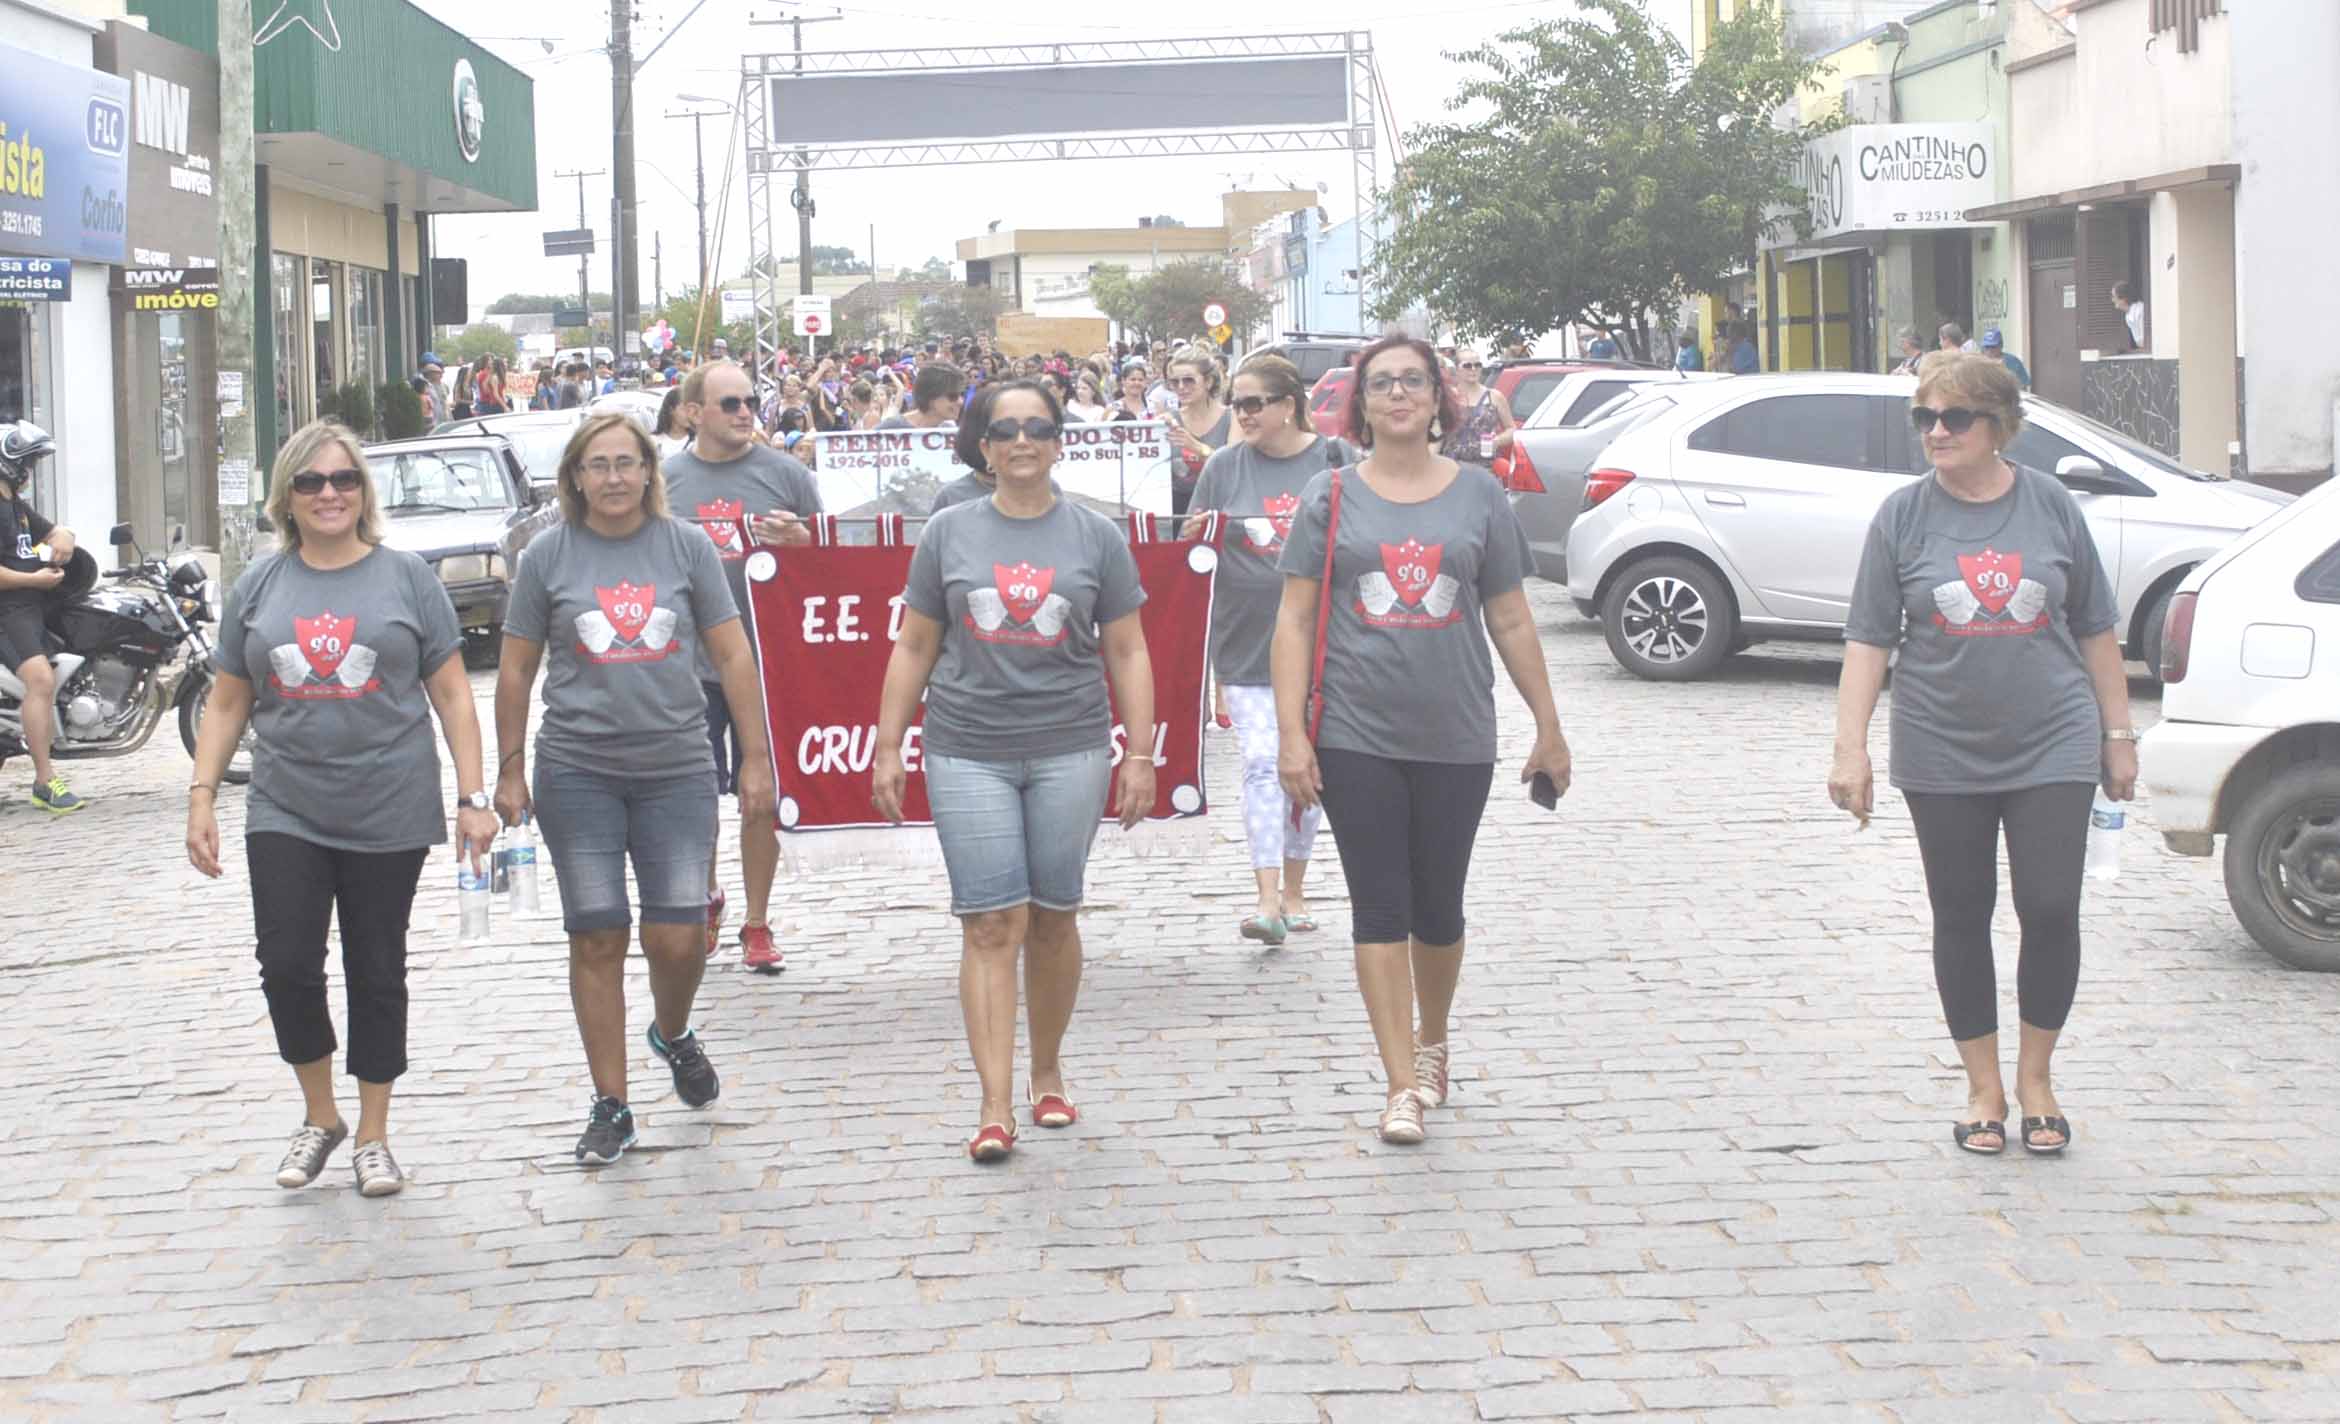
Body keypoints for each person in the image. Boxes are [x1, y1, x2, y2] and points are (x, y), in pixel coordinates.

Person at [1829, 352, 2136, 1160]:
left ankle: (2037, 1080)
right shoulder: (1902, 517)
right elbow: (1869, 638)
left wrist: (2118, 734)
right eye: (1925, 418)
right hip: (1942, 746)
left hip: (2054, 742)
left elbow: (2095, 625)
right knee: (1961, 914)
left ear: (1999, 425)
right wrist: (1849, 748)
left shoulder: (2051, 506)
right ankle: (1983, 1089)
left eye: (1954, 418)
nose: (1936, 431)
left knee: (2049, 908)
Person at [1269, 335, 1572, 1146]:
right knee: (1379, 902)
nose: (1398, 394)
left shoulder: (1478, 497)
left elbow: (1508, 614)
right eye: (1381, 384)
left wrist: (1548, 725)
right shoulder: (1330, 497)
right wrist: (1291, 734)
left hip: (1456, 730)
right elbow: (1295, 618)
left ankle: (1432, 1041)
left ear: (1440, 399)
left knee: (1439, 907)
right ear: (1359, 405)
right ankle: (1400, 1082)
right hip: (1354, 733)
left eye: (1413, 381)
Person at [185, 420, 499, 1197]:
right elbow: (227, 702)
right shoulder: (259, 585)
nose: (330, 494)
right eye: (311, 482)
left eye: (344, 480)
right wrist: (201, 794)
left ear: (364, 492)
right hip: (285, 803)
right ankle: (319, 1115)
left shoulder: (406, 579)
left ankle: (373, 1133)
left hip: (388, 803)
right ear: (286, 497)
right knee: (287, 964)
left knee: (376, 968)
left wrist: (472, 797)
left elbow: (454, 694)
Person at [871, 378, 1156, 1163]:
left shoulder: (1097, 536)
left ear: (1060, 440)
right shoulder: (949, 532)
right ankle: (994, 1104)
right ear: (984, 446)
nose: (1023, 440)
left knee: (1055, 915)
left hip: (1070, 746)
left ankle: (1049, 1067)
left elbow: (1127, 648)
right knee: (992, 921)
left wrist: (1140, 753)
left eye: (1038, 427)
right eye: (1006, 429)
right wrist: (890, 743)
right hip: (968, 746)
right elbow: (915, 645)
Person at [495, 413, 773, 1166]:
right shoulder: (548, 556)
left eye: (628, 463)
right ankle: (611, 1104)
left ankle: (673, 1031)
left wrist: (755, 757)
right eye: (598, 465)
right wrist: (511, 766)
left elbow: (732, 653)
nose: (614, 477)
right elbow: (516, 667)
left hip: (677, 764)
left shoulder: (687, 548)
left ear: (651, 471)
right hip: (577, 768)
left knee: (678, 935)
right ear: (575, 478)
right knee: (597, 932)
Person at [1184, 355, 1356, 947]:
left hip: (1325, 648)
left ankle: (1295, 888)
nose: (1243, 414)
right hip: (1245, 645)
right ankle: (1265, 898)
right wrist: (1193, 537)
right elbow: (1197, 557)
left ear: (1289, 404)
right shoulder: (1224, 468)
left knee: (1304, 767)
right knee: (1263, 762)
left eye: (1255, 403)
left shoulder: (1336, 462)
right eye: (1236, 404)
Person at [662, 361, 822, 974]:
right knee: (695, 798)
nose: (744, 412)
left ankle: (757, 922)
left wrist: (800, 541)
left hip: (766, 663)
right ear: (692, 412)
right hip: (688, 665)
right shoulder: (665, 479)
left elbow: (825, 555)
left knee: (761, 797)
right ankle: (704, 899)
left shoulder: (787, 475)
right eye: (728, 403)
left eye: (750, 401)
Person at [0, 422, 83, 813]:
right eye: (26, 462)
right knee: (41, 679)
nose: (30, 470)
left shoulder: (14, 504)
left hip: (31, 604)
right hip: (7, 609)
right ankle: (44, 780)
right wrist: (32, 578)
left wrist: (64, 535)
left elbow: (53, 532)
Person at [1164, 347, 1231, 517]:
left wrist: (1195, 446)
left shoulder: (1233, 417)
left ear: (1208, 381)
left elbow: (1235, 469)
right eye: (1174, 382)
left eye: (1189, 380)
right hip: (1176, 512)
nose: (1181, 387)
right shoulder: (1167, 420)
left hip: (1220, 509)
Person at [1438, 352, 1516, 469]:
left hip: (1485, 467)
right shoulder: (1448, 397)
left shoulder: (1494, 397)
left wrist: (1497, 441)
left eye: (1477, 365)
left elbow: (1512, 429)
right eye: (1467, 366)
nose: (1473, 369)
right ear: (1457, 369)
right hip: (1452, 468)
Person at [880, 361, 964, 435]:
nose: (961, 401)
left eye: (961, 394)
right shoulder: (891, 428)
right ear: (931, 397)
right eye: (953, 396)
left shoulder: (949, 429)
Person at [653, 386, 691, 459]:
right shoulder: (654, 441)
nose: (689, 414)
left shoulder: (697, 442)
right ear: (671, 410)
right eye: (684, 409)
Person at [2111, 281, 2145, 351]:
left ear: (2123, 299)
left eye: (2114, 296)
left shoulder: (2140, 310)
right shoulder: (2128, 316)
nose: (2113, 300)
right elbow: (2139, 342)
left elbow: (2146, 340)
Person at [416, 353, 447, 425]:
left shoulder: (433, 385)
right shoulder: (421, 384)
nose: (441, 374)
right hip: (430, 422)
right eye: (438, 372)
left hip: (438, 422)